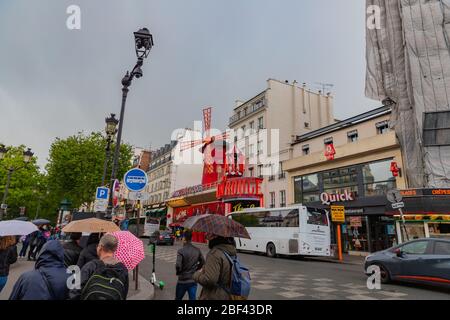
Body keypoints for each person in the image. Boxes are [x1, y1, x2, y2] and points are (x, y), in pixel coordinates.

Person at [70, 234, 129, 300]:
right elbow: (123, 294)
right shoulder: (122, 269)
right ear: (115, 249)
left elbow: (75, 291)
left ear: (100, 247)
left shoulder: (91, 266)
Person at [192, 234, 236, 300]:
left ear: (216, 236)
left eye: (209, 234)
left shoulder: (215, 254)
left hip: (215, 295)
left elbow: (209, 280)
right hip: (227, 294)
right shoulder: (230, 251)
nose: (207, 237)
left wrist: (196, 275)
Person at [175, 230, 204, 300]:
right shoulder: (197, 250)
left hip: (182, 280)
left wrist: (179, 273)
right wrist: (196, 269)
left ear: (184, 238)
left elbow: (178, 265)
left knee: (178, 298)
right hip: (193, 280)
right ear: (191, 238)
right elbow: (203, 262)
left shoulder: (181, 251)